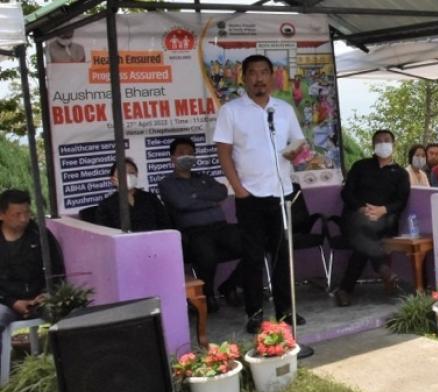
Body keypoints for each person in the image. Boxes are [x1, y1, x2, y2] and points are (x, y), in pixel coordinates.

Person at [214, 53, 309, 333]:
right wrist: (238, 190)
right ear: (244, 78)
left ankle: (285, 312)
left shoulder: (283, 109)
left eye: (264, 72)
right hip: (250, 196)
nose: (258, 78)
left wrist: (295, 153)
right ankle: (255, 313)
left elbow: (298, 141)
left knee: (282, 257)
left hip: (282, 195)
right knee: (253, 258)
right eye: (252, 73)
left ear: (271, 77)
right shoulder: (231, 111)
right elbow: (224, 153)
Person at [159, 137, 244, 311]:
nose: (187, 156)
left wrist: (195, 196)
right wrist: (209, 200)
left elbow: (222, 192)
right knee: (206, 256)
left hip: (221, 226)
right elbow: (181, 203)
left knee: (252, 246)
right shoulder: (166, 183)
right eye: (181, 153)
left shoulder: (204, 177)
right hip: (194, 231)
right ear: (172, 158)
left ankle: (230, 284)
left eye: (190, 153)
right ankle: (207, 295)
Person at [337, 129, 411, 307]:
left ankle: (345, 290)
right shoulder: (360, 166)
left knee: (364, 242)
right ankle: (383, 270)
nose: (383, 144)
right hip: (355, 218)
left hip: (384, 221)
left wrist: (382, 210)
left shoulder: (400, 173)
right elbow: (346, 193)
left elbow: (401, 201)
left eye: (387, 140)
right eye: (379, 141)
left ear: (394, 144)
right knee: (363, 229)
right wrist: (362, 209)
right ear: (373, 145)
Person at [0, 189, 65, 338]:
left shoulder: (40, 235)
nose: (24, 219)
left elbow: (57, 269)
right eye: (17, 214)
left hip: (40, 299)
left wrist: (47, 293)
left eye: (27, 213)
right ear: (2, 214)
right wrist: (12, 302)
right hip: (6, 302)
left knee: (64, 314)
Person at [94, 158, 171, 232]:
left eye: (131, 173)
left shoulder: (150, 198)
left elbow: (166, 225)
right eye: (122, 173)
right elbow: (106, 234)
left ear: (136, 175)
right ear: (113, 180)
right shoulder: (106, 205)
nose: (127, 176)